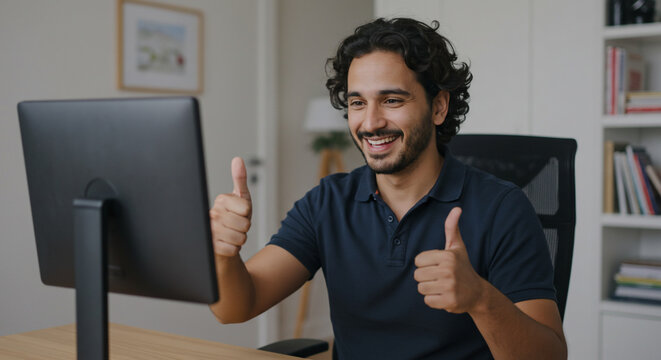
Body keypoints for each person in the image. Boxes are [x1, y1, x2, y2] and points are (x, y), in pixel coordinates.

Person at [209, 18, 567, 359]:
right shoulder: (327, 202)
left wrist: (480, 299)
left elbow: (549, 356)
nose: (371, 122)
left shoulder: (502, 208)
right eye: (357, 103)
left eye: (392, 100)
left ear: (439, 106)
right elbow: (237, 306)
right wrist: (224, 256)